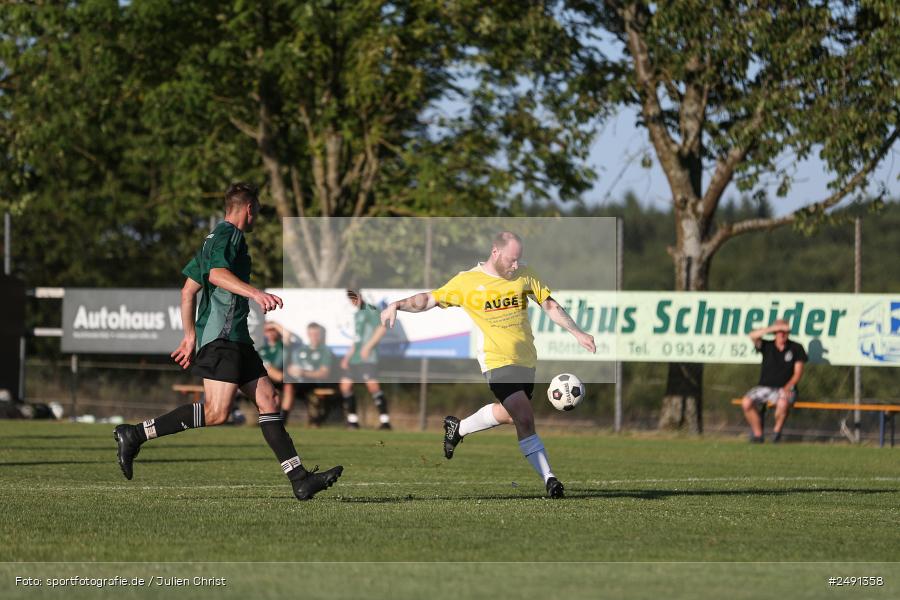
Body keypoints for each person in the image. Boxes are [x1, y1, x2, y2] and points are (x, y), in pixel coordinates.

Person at [113, 182, 343, 500]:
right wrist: (256, 293)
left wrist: (190, 335)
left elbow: (187, 291)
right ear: (249, 208)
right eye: (258, 212)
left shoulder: (210, 241)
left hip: (235, 338)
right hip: (223, 337)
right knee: (218, 412)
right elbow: (217, 275)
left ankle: (300, 480)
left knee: (269, 401)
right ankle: (136, 433)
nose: (257, 218)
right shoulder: (228, 235)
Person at [380, 231, 596, 498]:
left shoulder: (525, 275)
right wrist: (397, 305)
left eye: (519, 260)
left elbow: (549, 305)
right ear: (496, 252)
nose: (516, 265)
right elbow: (429, 299)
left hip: (525, 361)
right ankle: (550, 479)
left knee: (508, 414)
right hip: (496, 361)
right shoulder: (468, 281)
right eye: (511, 260)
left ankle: (458, 429)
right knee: (525, 418)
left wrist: (577, 332)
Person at [741, 319, 807, 443]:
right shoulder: (767, 346)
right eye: (779, 331)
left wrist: (788, 387)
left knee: (782, 403)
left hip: (785, 387)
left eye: (785, 331)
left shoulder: (796, 348)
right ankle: (758, 435)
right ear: (775, 333)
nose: (782, 334)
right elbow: (752, 335)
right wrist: (772, 328)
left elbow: (798, 373)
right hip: (765, 387)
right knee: (746, 402)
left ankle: (776, 434)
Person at [340, 290, 392, 430]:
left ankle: (385, 422)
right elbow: (357, 339)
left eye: (355, 297)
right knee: (345, 385)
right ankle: (353, 421)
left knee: (373, 386)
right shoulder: (357, 314)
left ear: (360, 296)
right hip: (355, 358)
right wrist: (347, 357)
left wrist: (368, 347)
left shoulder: (371, 310)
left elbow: (382, 329)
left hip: (368, 357)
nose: (353, 301)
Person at [286, 322, 337, 427]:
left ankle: (316, 420)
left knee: (315, 395)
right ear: (308, 334)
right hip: (300, 383)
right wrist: (292, 371)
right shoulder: (300, 350)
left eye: (316, 334)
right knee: (288, 385)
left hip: (318, 382)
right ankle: (282, 419)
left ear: (321, 335)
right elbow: (291, 368)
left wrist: (304, 373)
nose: (314, 337)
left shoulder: (325, 351)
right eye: (311, 334)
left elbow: (324, 374)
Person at [258, 322, 296, 424]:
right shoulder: (262, 348)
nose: (270, 333)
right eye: (268, 331)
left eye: (273, 330)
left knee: (289, 385)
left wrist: (274, 324)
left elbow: (288, 335)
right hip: (264, 377)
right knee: (266, 368)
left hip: (280, 377)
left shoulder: (282, 345)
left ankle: (284, 417)